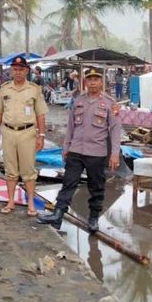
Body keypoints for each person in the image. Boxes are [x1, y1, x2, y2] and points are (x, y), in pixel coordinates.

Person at [37, 67, 121, 231]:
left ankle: (94, 218)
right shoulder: (78, 100)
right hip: (76, 150)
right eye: (89, 79)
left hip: (96, 152)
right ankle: (58, 215)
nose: (93, 82)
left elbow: (116, 130)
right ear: (85, 82)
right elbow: (70, 127)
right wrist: (66, 147)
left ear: (101, 82)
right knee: (68, 183)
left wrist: (115, 154)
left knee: (96, 187)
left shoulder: (110, 103)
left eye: (96, 79)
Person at [0, 55, 48, 216]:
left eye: (21, 69)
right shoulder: (5, 89)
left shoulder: (34, 90)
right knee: (10, 169)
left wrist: (41, 135)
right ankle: (10, 202)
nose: (18, 72)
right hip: (8, 132)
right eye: (15, 69)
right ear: (11, 71)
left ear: (26, 71)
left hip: (27, 133)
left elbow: (41, 115)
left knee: (28, 170)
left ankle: (30, 203)